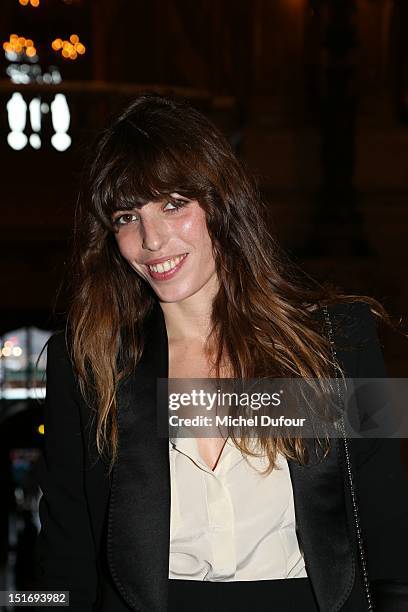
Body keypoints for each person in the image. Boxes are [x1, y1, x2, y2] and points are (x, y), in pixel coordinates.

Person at [34, 93, 408, 611]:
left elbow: (387, 525)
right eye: (126, 216)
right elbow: (63, 553)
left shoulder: (336, 341)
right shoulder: (87, 365)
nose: (152, 239)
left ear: (220, 202)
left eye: (172, 204)